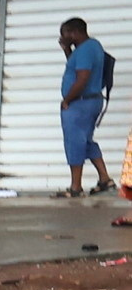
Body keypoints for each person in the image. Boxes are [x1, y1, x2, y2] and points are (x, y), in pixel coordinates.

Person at [57, 18, 113, 198]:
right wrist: (67, 50)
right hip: (89, 101)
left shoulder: (85, 50)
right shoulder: (91, 47)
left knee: (75, 143)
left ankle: (75, 187)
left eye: (64, 34)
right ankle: (105, 179)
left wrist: (67, 100)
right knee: (85, 141)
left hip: (80, 103)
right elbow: (77, 69)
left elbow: (82, 78)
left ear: (74, 32)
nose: (62, 37)